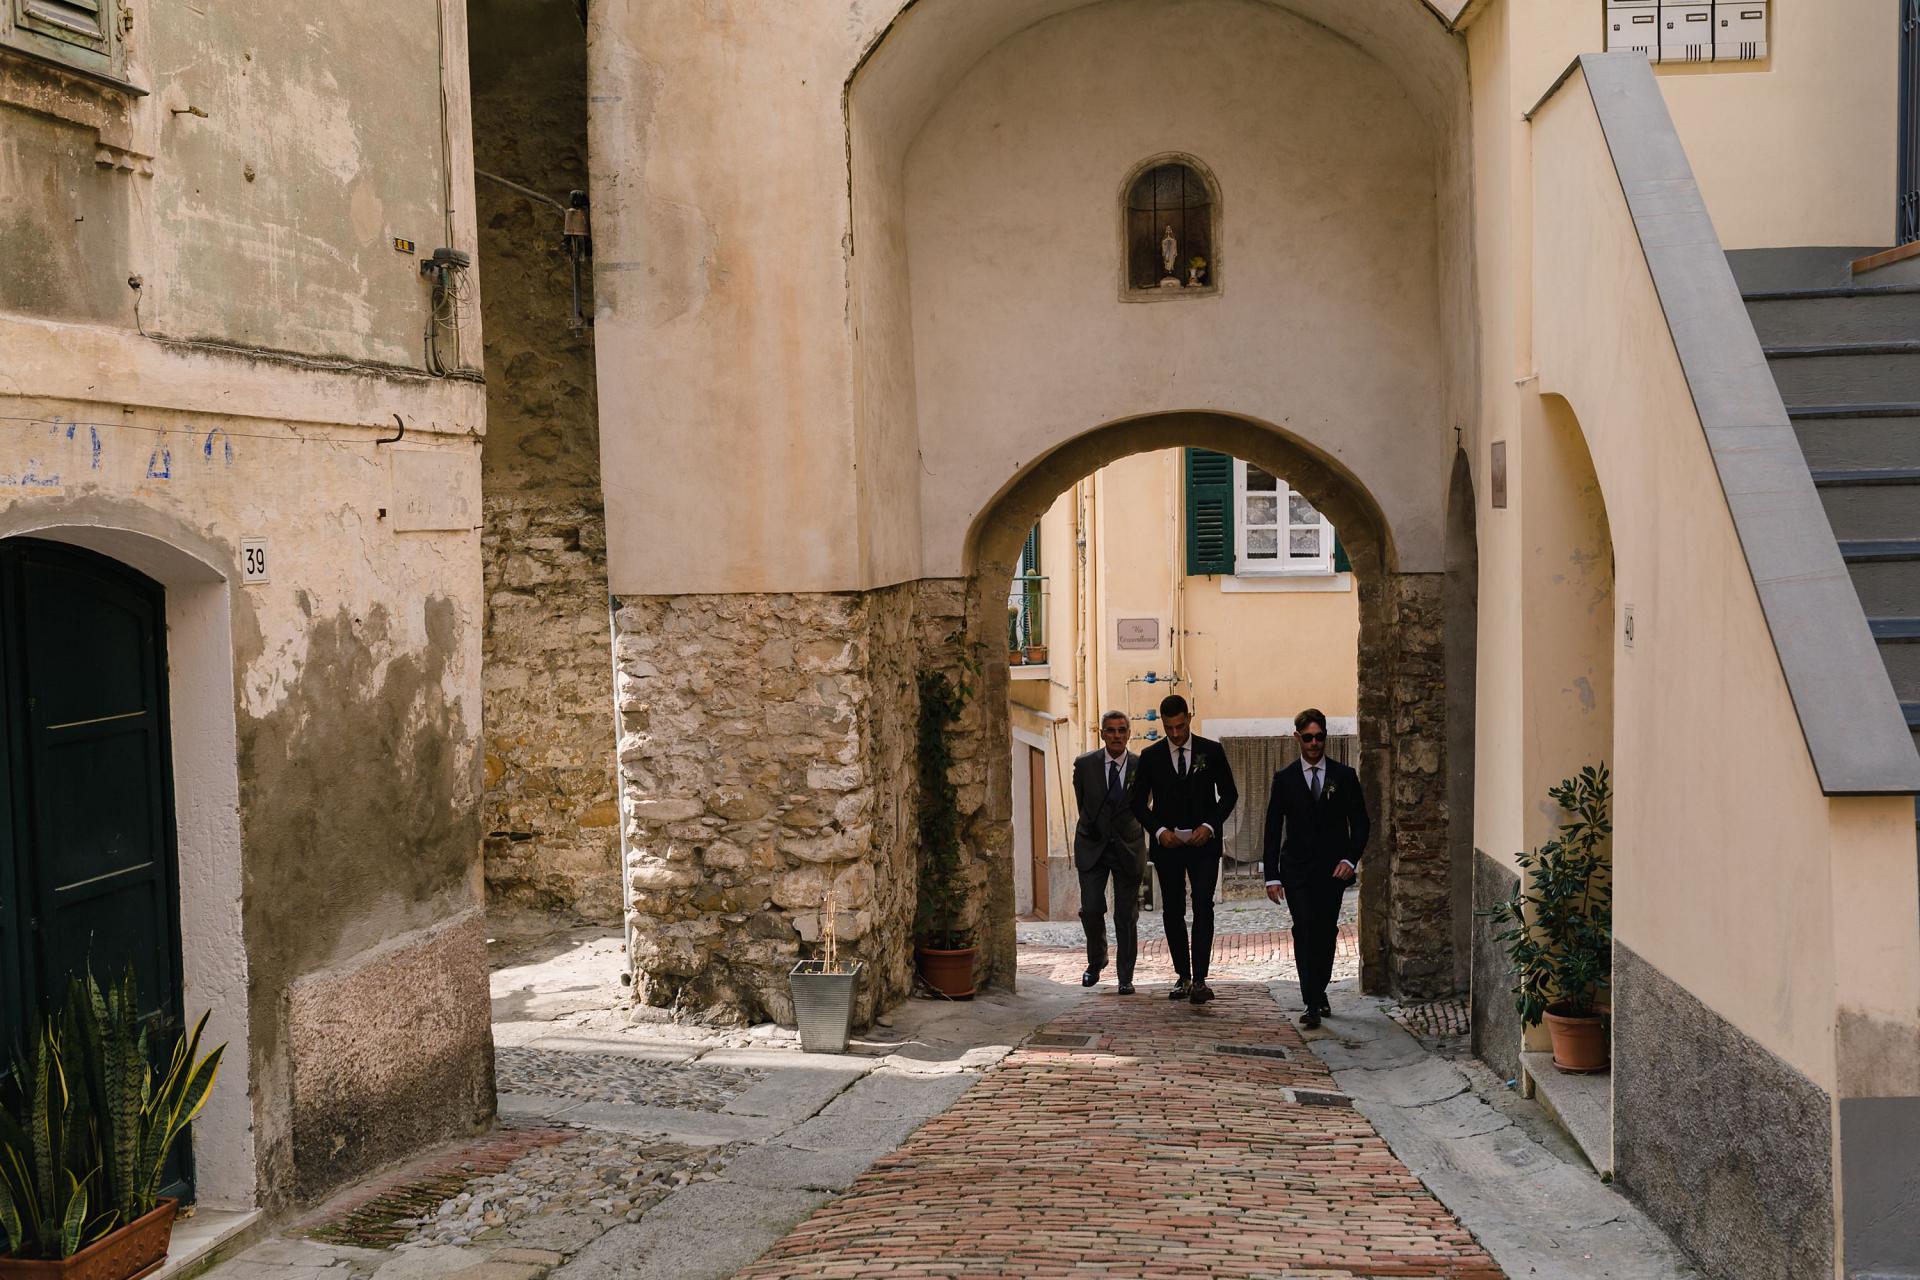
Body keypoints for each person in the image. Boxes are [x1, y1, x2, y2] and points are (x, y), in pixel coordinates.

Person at [1262, 708, 1369, 1028]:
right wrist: (1271, 875)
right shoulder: (1285, 779)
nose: (1314, 743)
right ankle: (1310, 1000)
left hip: (1332, 871)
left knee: (1326, 932)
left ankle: (1319, 988)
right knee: (1304, 929)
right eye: (1308, 737)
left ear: (1326, 737)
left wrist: (1350, 860)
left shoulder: (1344, 776)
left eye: (1319, 737)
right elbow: (1271, 828)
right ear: (1297, 738)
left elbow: (1361, 823)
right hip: (1296, 870)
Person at [1129, 694, 1237, 1004]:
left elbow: (1229, 795)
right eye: (1169, 728)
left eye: (1179, 726)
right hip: (1169, 847)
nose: (1175, 734)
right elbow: (1137, 803)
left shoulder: (1211, 751)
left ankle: (1201, 979)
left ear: (1189, 718)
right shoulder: (1150, 756)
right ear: (1162, 724)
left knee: (1203, 904)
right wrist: (1159, 831)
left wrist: (1210, 826)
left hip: (1204, 845)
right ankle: (1183, 976)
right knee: (1174, 910)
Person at [1071, 711, 1147, 994]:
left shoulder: (1141, 765)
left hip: (1128, 846)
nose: (1117, 736)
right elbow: (1083, 803)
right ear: (1102, 734)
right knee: (1091, 907)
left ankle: (1125, 976)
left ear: (1129, 733)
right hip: (1092, 844)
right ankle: (1096, 959)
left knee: (1126, 915)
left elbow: (1142, 803)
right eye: (1111, 731)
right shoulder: (1085, 764)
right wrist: (1095, 827)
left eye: (1122, 730)